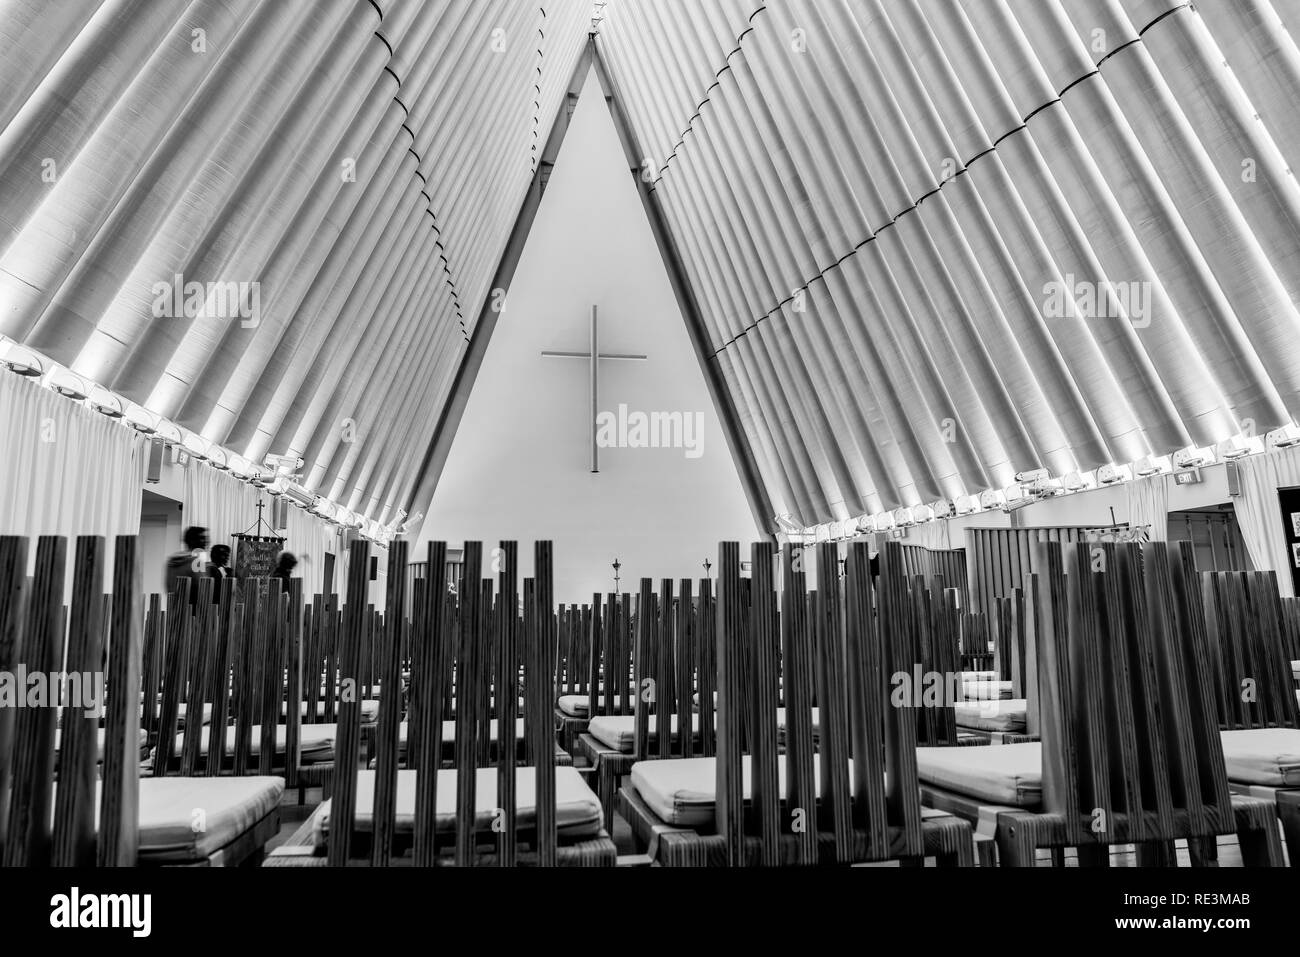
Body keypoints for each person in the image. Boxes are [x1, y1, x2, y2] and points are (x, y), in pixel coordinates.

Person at [165, 526, 208, 605]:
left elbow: (168, 587)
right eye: (202, 538)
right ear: (192, 540)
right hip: (192, 612)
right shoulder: (196, 562)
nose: (206, 541)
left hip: (174, 609)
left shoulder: (171, 561)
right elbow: (203, 590)